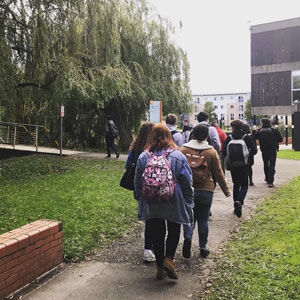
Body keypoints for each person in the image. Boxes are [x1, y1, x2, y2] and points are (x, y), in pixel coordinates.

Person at [134, 123, 194, 280]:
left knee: (156, 232)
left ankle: (160, 265)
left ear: (151, 137)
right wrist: (188, 198)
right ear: (170, 136)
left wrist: (140, 198)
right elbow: (187, 180)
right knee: (174, 229)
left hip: (152, 202)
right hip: (173, 199)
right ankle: (169, 259)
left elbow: (137, 181)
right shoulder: (177, 155)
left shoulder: (144, 156)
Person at [181, 124, 231, 259]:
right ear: (207, 136)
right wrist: (226, 190)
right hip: (206, 189)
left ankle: (188, 239)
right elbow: (218, 173)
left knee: (189, 219)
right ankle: (203, 247)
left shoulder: (184, 149)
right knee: (203, 220)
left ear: (193, 134)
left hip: (188, 189)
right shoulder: (211, 151)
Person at [125, 122, 155, 262]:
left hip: (141, 185)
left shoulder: (136, 147)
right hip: (154, 184)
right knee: (156, 217)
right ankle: (153, 246)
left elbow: (127, 165)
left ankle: (148, 248)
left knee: (147, 217)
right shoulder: (154, 148)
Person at [222, 120, 257, 217]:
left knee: (236, 184)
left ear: (233, 127)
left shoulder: (229, 138)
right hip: (244, 165)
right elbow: (254, 150)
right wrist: (247, 157)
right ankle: (240, 201)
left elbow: (224, 152)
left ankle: (235, 206)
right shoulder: (246, 137)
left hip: (233, 165)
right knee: (245, 185)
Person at [255, 118, 283, 188]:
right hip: (273, 150)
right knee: (272, 165)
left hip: (264, 150)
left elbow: (255, 137)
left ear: (262, 123)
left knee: (265, 164)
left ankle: (267, 177)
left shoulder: (260, 131)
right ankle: (270, 181)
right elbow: (281, 139)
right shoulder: (274, 131)